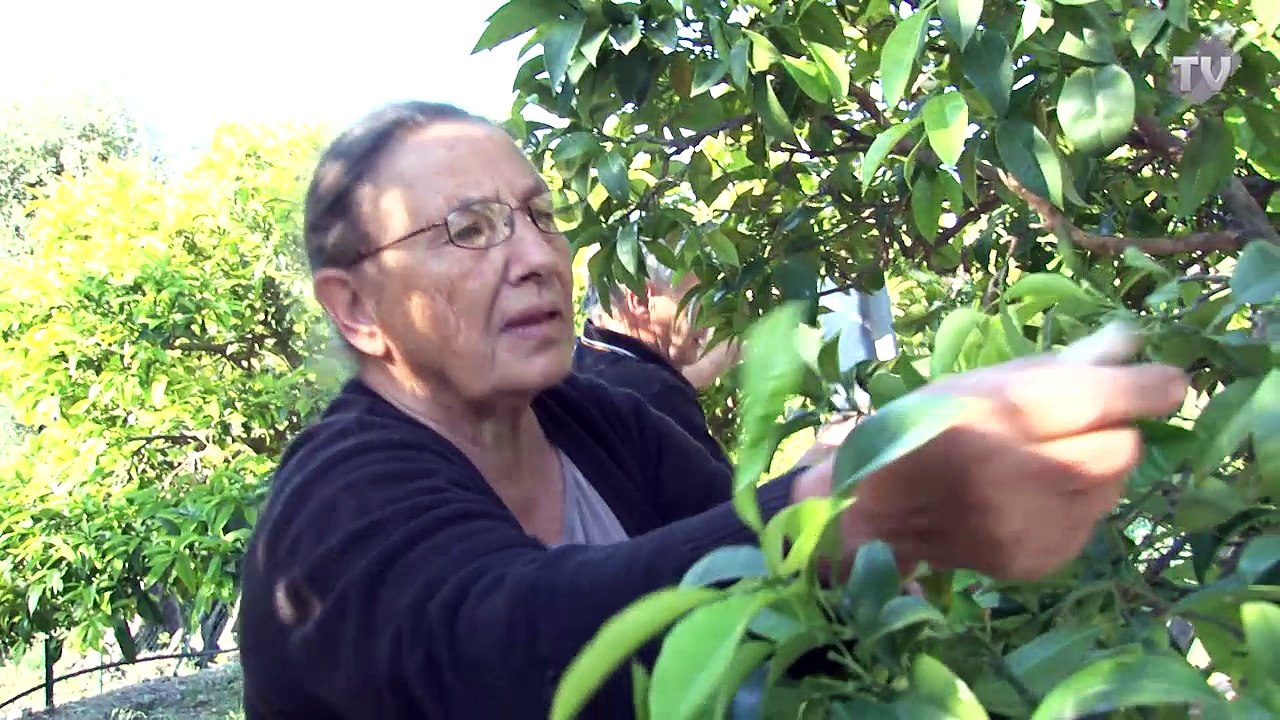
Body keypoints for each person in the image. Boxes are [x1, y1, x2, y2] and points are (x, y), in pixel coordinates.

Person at [236, 100, 1189, 720]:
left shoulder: (596, 423)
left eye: (538, 215)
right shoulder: (335, 500)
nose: (533, 255)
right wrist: (846, 510)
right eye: (468, 230)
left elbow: (761, 586)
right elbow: (503, 652)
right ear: (357, 309)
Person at [574, 251, 740, 470]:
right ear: (640, 301)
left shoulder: (584, 360)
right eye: (693, 303)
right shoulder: (656, 393)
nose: (708, 318)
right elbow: (728, 502)